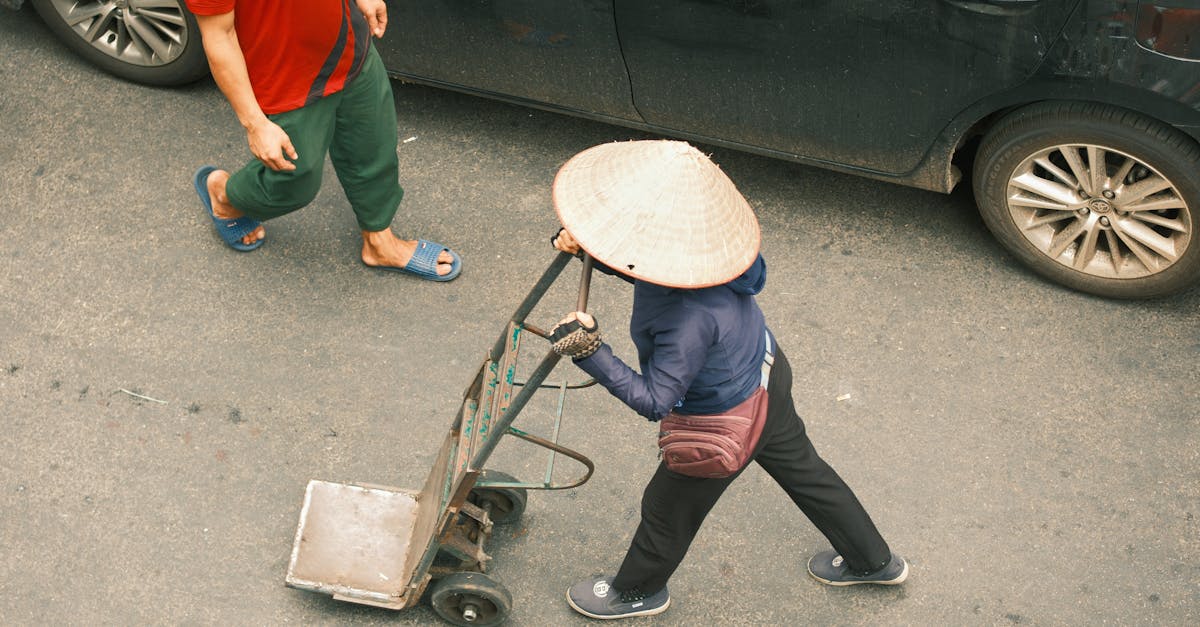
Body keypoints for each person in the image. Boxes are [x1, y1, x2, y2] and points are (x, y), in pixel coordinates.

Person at [545, 140, 907, 620]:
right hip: (765, 377)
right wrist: (588, 249)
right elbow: (652, 267)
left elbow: (656, 399)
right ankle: (873, 561)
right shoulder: (718, 256)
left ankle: (636, 593)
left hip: (724, 422)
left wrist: (591, 352)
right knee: (807, 472)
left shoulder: (685, 318)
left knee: (666, 509)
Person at [186, 0, 461, 281]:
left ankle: (380, 242)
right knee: (295, 181)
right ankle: (225, 195)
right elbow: (219, 36)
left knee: (373, 145)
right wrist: (254, 123)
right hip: (285, 82)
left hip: (348, 44)